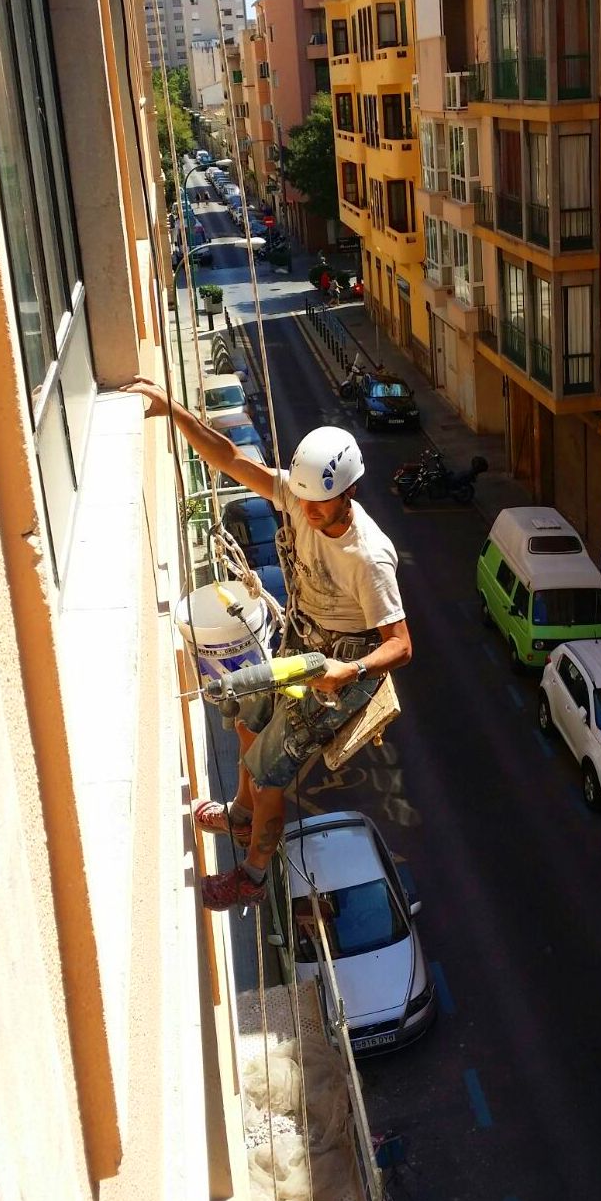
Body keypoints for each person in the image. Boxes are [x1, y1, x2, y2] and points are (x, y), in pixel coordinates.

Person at [123, 379, 412, 910]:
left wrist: (349, 673)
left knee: (269, 767)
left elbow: (400, 644)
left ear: (348, 493)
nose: (307, 511)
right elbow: (231, 458)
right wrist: (175, 412)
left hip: (341, 666)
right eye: (302, 499)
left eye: (320, 504)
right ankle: (239, 812)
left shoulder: (368, 557)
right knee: (246, 719)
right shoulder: (302, 498)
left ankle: (253, 876)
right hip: (302, 640)